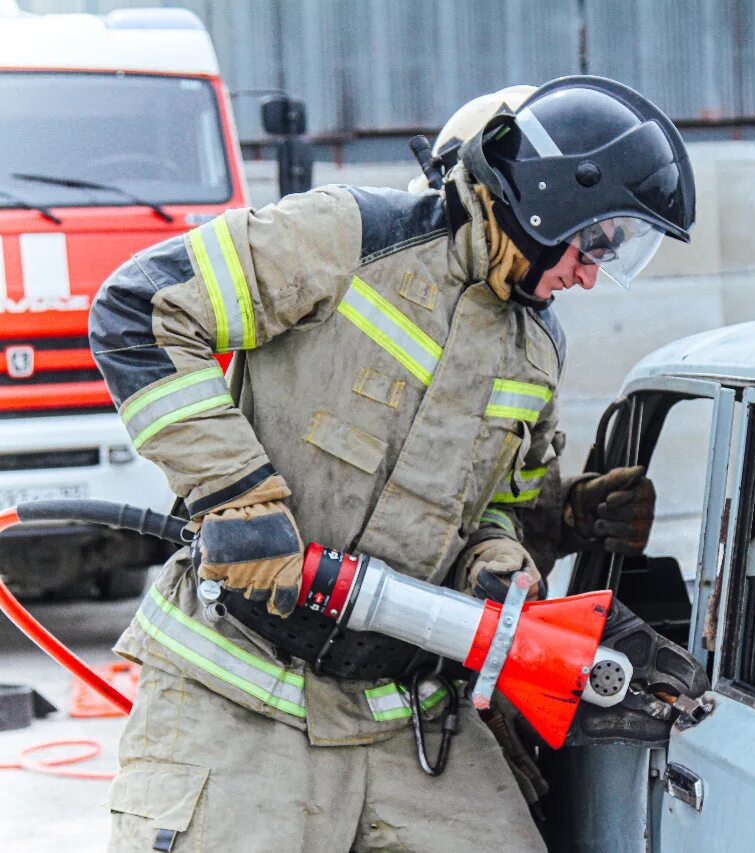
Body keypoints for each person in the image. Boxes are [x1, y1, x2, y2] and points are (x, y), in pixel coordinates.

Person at [89, 75, 694, 851]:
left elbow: (497, 504)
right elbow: (141, 307)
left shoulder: (537, 348)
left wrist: (499, 554)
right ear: (551, 200)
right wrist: (233, 492)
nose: (590, 274)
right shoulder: (351, 237)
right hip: (239, 687)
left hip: (401, 708)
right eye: (596, 244)